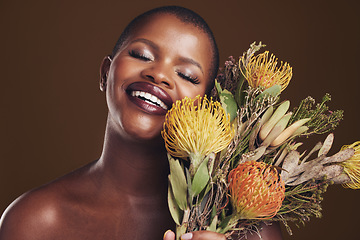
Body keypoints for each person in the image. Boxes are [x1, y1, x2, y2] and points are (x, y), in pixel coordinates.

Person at [0, 6, 283, 240]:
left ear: (206, 107)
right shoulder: (34, 221)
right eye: (142, 55)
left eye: (186, 75)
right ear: (105, 73)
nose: (159, 75)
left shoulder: (247, 231)